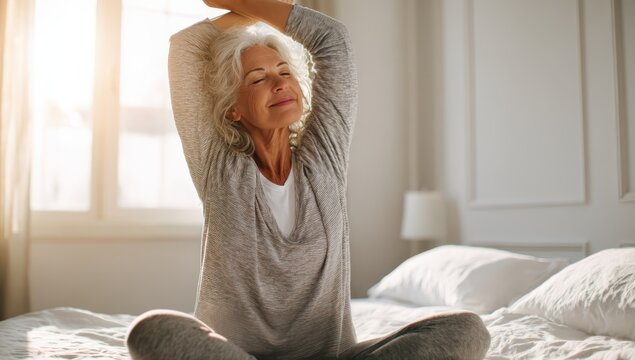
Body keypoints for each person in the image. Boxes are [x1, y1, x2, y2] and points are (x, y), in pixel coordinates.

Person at [125, 1, 491, 359]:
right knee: (152, 329)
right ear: (233, 108)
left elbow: (332, 40)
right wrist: (235, 14)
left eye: (285, 72)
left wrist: (241, 4)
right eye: (258, 78)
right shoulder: (218, 167)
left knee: (467, 329)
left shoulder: (325, 160)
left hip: (330, 353)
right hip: (234, 354)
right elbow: (186, 47)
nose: (279, 83)